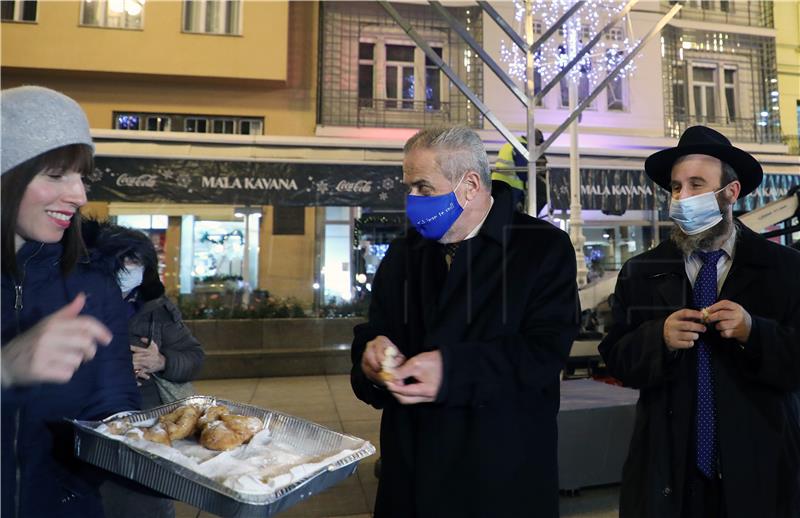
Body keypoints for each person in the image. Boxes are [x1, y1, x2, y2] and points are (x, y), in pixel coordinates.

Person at [351, 126, 580, 517]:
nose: (412, 200)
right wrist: (369, 357)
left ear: (470, 185)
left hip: (496, 478)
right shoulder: (405, 252)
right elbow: (376, 328)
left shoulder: (540, 249)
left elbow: (543, 354)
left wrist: (451, 371)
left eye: (423, 188)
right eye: (408, 188)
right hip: (410, 474)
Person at [599, 125, 800, 518]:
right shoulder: (642, 272)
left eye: (696, 185)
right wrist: (658, 338)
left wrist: (754, 333)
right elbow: (617, 358)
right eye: (676, 187)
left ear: (730, 192)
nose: (682, 198)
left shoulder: (784, 269)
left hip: (760, 470)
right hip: (669, 473)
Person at [1, 86, 141, 517]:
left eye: (82, 178)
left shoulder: (95, 288)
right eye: (57, 175)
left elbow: (115, 421)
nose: (79, 196)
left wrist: (204, 465)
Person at [82, 220, 205, 518]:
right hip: (91, 427)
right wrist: (113, 365)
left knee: (147, 507)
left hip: (147, 433)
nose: (130, 268)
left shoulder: (156, 309)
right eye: (124, 260)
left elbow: (194, 356)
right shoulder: (78, 302)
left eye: (137, 261)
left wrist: (161, 361)